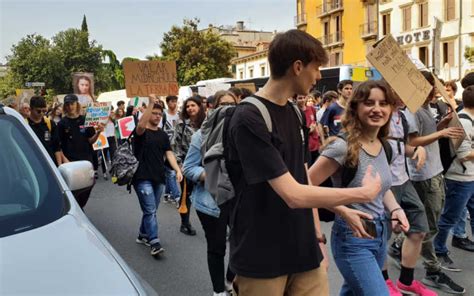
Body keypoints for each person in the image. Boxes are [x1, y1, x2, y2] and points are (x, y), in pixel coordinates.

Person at [226, 29, 382, 296]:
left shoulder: (295, 113)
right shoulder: (248, 117)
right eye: (317, 67)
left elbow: (303, 178)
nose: (319, 76)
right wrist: (362, 194)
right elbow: (293, 194)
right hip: (261, 254)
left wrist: (325, 229)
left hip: (303, 249)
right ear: (298, 67)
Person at [307, 80, 409, 296]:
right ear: (355, 108)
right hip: (351, 238)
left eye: (383, 103)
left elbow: (381, 188)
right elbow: (306, 187)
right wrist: (342, 209)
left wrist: (396, 210)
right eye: (369, 103)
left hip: (380, 234)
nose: (377, 109)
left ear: (391, 109)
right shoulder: (342, 147)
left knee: (353, 292)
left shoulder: (385, 145)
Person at [403, 71, 465, 294]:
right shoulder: (412, 111)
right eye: (432, 84)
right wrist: (442, 133)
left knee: (429, 222)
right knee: (428, 225)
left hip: (435, 172)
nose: (437, 88)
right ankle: (432, 270)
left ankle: (402, 243)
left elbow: (427, 134)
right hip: (424, 176)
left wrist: (442, 126)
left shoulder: (426, 108)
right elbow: (412, 142)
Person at [380, 94, 436, 295]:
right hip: (384, 184)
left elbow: (401, 146)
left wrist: (417, 150)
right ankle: (384, 281)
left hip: (404, 180)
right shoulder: (380, 114)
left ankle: (406, 281)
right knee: (381, 236)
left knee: (418, 230)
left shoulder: (401, 116)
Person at [182, 91, 237, 296]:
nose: (228, 109)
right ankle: (218, 291)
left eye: (232, 104)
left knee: (240, 242)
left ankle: (230, 280)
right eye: (223, 104)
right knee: (217, 248)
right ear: (213, 107)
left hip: (237, 199)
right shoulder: (201, 135)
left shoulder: (243, 133)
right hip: (211, 202)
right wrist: (210, 175)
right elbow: (188, 168)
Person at [133, 94, 183, 256]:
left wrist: (177, 170)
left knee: (151, 210)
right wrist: (150, 104)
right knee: (150, 210)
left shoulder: (162, 134)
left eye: (159, 114)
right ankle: (154, 241)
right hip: (142, 178)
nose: (157, 116)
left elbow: (169, 154)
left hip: (159, 177)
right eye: (154, 113)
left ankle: (142, 235)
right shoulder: (140, 132)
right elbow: (141, 124)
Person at [434, 86, 474, 260]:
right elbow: (464, 156)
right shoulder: (463, 121)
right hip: (460, 179)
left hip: (470, 177)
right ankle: (439, 250)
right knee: (450, 217)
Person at [55, 94, 103, 208]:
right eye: (67, 104)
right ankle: (77, 210)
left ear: (77, 104)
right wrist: (64, 160)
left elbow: (91, 140)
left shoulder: (85, 119)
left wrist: (98, 132)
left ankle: (80, 207)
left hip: (86, 160)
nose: (70, 106)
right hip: (71, 162)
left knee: (88, 186)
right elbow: (58, 145)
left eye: (72, 103)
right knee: (74, 190)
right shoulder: (62, 123)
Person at [171, 96, 206, 236]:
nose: (190, 108)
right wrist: (179, 164)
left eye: (193, 105)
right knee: (186, 195)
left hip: (206, 165)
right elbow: (175, 144)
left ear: (200, 107)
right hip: (188, 165)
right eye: (188, 106)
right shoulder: (182, 124)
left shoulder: (207, 123)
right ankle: (185, 224)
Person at [28, 96, 60, 165]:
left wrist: (59, 165)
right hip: (34, 164)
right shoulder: (25, 124)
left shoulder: (50, 123)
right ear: (30, 109)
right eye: (38, 111)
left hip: (51, 164)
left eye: (44, 111)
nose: (42, 113)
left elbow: (56, 147)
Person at [163, 95, 181, 204]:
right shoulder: (163, 115)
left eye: (176, 101)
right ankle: (177, 196)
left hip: (177, 148)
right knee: (171, 173)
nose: (174, 104)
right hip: (166, 147)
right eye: (172, 101)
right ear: (167, 103)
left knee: (170, 172)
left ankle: (166, 194)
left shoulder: (180, 115)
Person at [296, 94, 320, 164]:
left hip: (315, 144)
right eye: (300, 98)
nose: (303, 100)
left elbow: (315, 122)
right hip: (305, 147)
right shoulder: (295, 112)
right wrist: (309, 130)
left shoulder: (311, 109)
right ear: (295, 100)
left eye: (304, 97)